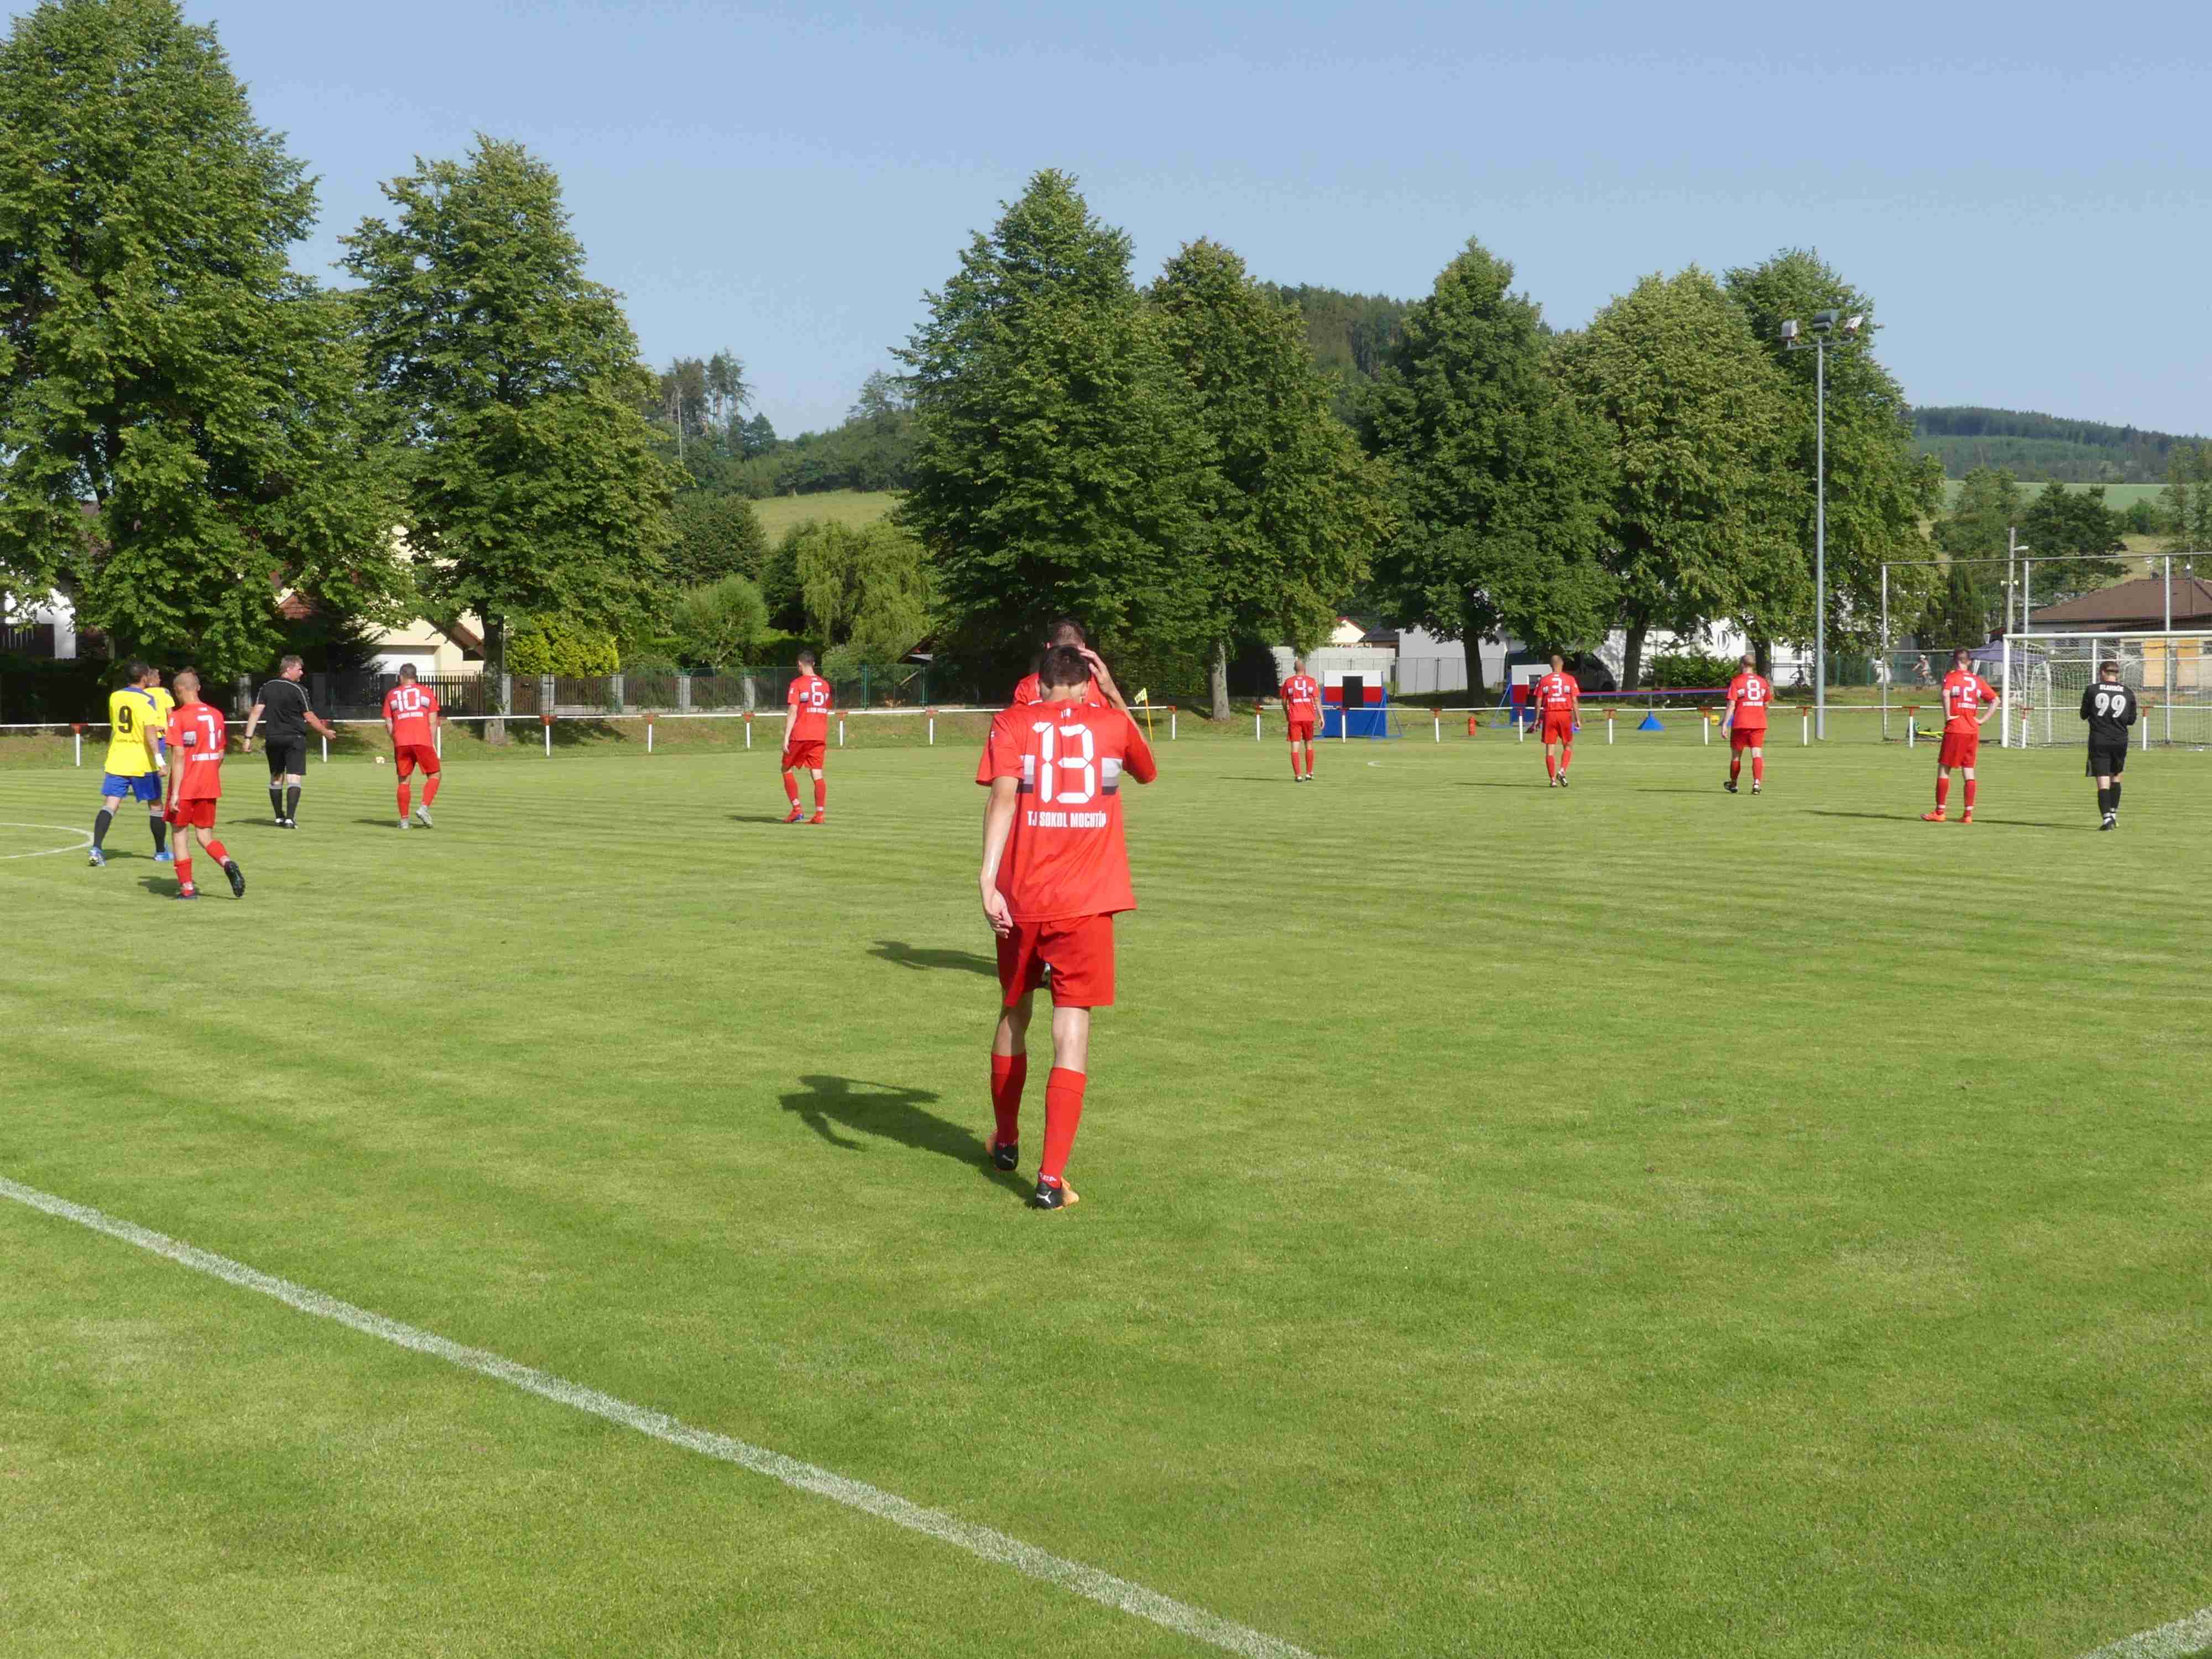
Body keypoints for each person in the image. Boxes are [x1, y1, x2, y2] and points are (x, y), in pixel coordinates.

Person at [977, 643, 1157, 1209]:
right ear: (1086, 683)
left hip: (1023, 896)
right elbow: (1148, 770)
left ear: (1039, 683)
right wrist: (1115, 691)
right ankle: (1051, 1180)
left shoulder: (1011, 722)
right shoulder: (1111, 724)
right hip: (1087, 902)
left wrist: (987, 878)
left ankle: (1006, 1141)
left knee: (1014, 1012)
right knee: (1071, 1026)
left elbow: (1002, 799)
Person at [161, 670, 244, 900]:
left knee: (179, 835)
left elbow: (179, 755)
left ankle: (188, 889)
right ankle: (226, 862)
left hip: (185, 786)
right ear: (198, 688)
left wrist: (176, 793)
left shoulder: (177, 717)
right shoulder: (217, 715)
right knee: (205, 836)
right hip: (209, 785)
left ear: (179, 691)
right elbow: (220, 754)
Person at [88, 662, 169, 867]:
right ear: (144, 678)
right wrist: (160, 761)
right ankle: (161, 852)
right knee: (156, 806)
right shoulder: (147, 699)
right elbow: (150, 733)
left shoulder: (115, 697)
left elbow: (117, 726)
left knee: (110, 805)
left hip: (118, 759)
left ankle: (96, 848)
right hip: (142, 761)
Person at [242, 655, 335, 828]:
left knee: (276, 778)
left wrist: (248, 738)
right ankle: (290, 819)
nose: (302, 673)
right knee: (294, 778)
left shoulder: (266, 687)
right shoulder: (299, 689)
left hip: (273, 738)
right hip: (294, 738)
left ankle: (279, 817)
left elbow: (256, 713)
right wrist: (325, 732)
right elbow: (309, 716)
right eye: (299, 669)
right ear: (288, 669)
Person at [1923, 648, 1997, 824]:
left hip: (1956, 728)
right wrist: (1982, 720)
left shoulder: (1951, 676)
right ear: (1969, 662)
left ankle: (1940, 812)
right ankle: (1968, 815)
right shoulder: (1977, 680)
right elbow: (1996, 700)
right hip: (1972, 730)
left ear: (1954, 661)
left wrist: (1948, 715)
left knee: (1944, 769)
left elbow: (1945, 693)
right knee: (1969, 770)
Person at [382, 665, 445, 829]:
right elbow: (433, 722)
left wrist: (396, 740)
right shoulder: (427, 692)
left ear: (401, 677)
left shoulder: (391, 695)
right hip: (422, 740)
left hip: (401, 742)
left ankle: (404, 822)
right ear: (415, 676)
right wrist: (431, 742)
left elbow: (389, 723)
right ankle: (424, 808)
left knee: (404, 781)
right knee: (435, 775)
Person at [2080, 659, 2139, 831]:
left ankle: (2107, 819)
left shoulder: (2092, 690)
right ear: (2117, 674)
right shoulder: (2128, 692)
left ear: (2102, 673)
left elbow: (2084, 714)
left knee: (2103, 779)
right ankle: (2113, 815)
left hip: (2099, 740)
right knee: (2116, 776)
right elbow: (2131, 720)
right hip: (2120, 741)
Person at [781, 651, 832, 824]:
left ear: (799, 664)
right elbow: (826, 708)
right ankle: (819, 815)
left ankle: (797, 809)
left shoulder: (797, 684)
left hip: (801, 734)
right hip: (819, 735)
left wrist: (786, 736)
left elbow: (793, 710)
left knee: (786, 769)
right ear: (814, 664)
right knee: (817, 773)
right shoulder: (825, 685)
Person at [1012, 618, 1109, 707]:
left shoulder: (1027, 686)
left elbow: (1015, 719)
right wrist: (1112, 692)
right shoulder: (1103, 686)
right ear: (1083, 647)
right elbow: (1116, 718)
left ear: (1049, 647)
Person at [1722, 653, 1772, 795]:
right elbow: (1766, 704)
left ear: (1742, 664)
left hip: (1741, 723)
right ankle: (1756, 784)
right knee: (1757, 753)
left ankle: (1734, 784)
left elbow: (1731, 705)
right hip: (1759, 723)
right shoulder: (1763, 682)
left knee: (1736, 756)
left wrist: (1725, 724)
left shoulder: (1737, 681)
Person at [1531, 654, 1580, 787]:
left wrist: (1536, 719)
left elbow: (1538, 701)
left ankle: (1553, 780)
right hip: (1565, 715)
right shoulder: (1570, 679)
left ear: (1550, 666)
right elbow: (1574, 701)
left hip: (1549, 715)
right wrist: (1577, 719)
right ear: (1562, 664)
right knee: (1568, 745)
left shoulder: (1544, 680)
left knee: (1550, 749)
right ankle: (1562, 771)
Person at [1280, 656, 1321, 782]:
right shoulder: (1311, 681)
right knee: (1309, 744)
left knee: (1295, 746)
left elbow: (1284, 700)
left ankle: (1298, 775)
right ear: (1305, 668)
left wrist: (1287, 713)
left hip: (1294, 718)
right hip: (1308, 717)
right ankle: (1309, 773)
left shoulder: (1288, 682)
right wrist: (1321, 717)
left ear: (1294, 668)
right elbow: (1317, 700)